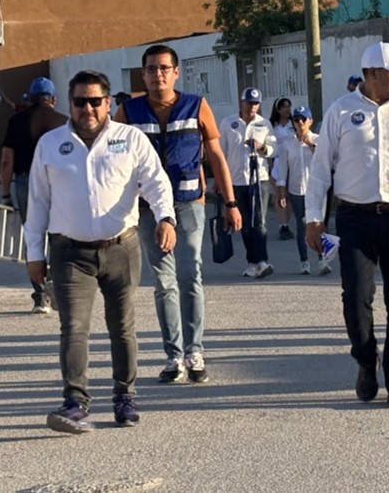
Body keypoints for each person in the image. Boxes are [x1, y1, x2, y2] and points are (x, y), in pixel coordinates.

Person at [25, 70, 177, 434]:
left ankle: (125, 396)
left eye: (95, 101)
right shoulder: (50, 144)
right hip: (68, 253)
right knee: (73, 327)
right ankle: (75, 402)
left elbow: (156, 181)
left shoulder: (131, 139)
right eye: (80, 102)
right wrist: (34, 253)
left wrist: (166, 217)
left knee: (122, 327)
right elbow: (37, 202)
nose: (88, 109)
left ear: (108, 103)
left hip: (121, 248)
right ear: (69, 104)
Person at [305, 41, 389, 409]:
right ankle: (367, 362)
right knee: (356, 299)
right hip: (355, 218)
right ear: (371, 75)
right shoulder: (341, 111)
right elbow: (320, 171)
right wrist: (314, 219)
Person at [117, 44, 242, 385]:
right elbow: (111, 162)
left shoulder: (196, 106)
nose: (157, 74)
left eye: (163, 68)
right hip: (147, 209)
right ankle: (173, 356)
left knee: (191, 275)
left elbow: (215, 155)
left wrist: (230, 203)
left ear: (176, 73)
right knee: (164, 282)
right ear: (142, 75)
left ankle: (194, 351)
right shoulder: (127, 112)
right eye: (151, 69)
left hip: (189, 203)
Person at [0, 76, 68, 313]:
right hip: (58, 182)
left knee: (34, 235)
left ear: (30, 98)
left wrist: (5, 193)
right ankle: (60, 291)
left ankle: (40, 297)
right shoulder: (63, 122)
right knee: (60, 235)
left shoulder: (16, 122)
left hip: (26, 181)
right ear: (53, 99)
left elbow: (7, 160)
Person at [219, 87, 277, 279]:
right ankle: (253, 262)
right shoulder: (228, 123)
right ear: (241, 102)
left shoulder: (265, 124)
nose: (252, 107)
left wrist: (262, 148)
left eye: (256, 103)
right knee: (245, 223)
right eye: (249, 103)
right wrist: (220, 181)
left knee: (259, 221)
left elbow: (274, 150)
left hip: (259, 179)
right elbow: (221, 153)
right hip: (236, 180)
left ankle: (262, 260)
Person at [274, 105, 329, 275]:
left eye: (303, 119)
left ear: (310, 121)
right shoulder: (287, 144)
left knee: (319, 224)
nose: (300, 123)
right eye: (296, 120)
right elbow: (282, 169)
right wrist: (281, 191)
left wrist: (309, 143)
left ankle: (322, 259)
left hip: (317, 189)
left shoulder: (319, 140)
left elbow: (325, 160)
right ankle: (304, 261)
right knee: (302, 225)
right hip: (297, 190)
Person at [268, 97, 295, 241]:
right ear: (278, 109)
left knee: (289, 196)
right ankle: (282, 225)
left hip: (293, 163)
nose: (287, 109)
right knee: (279, 195)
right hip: (278, 163)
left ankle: (287, 222)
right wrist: (269, 167)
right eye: (284, 107)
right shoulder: (272, 125)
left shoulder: (294, 124)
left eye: (288, 106)